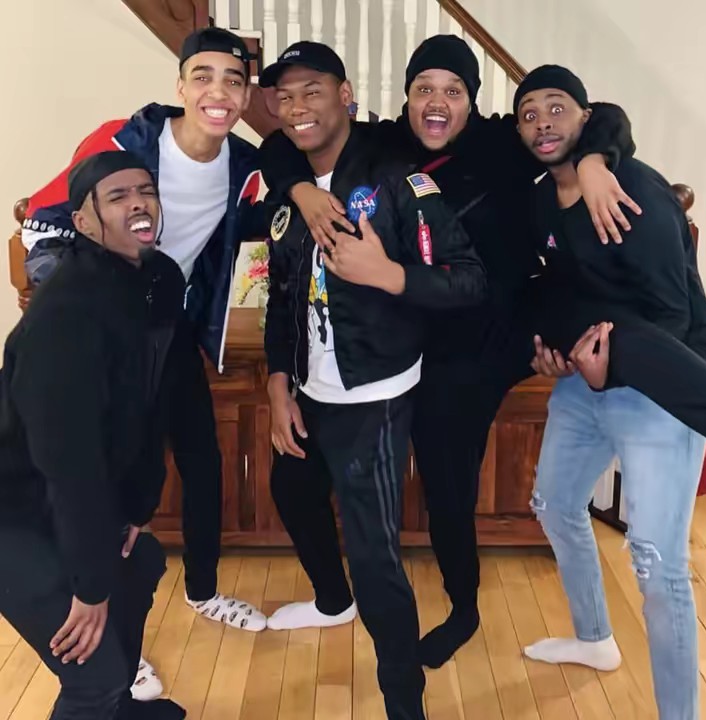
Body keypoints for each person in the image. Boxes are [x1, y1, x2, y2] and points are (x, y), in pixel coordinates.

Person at [259, 34, 638, 668]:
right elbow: (280, 144)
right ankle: (335, 597)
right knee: (300, 475)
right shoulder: (385, 145)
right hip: (403, 330)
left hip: (486, 336)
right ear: (406, 97)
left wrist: (597, 162)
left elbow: (602, 119)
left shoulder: (503, 144)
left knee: (446, 480)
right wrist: (299, 191)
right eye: (424, 89)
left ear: (473, 100)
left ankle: (464, 606)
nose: (437, 103)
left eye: (453, 91)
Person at [20, 27, 268, 698]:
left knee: (201, 457)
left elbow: (267, 210)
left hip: (167, 320)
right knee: (100, 467)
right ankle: (112, 634)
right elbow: (41, 218)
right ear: (181, 85)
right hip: (105, 327)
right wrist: (81, 309)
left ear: (246, 95)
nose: (218, 91)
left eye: (234, 80)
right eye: (203, 76)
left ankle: (203, 590)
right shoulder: (124, 140)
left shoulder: (246, 167)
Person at [261, 41, 486, 720]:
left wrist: (389, 275)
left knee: (375, 560)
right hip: (308, 391)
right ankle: (333, 601)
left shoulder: (396, 181)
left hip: (374, 396)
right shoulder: (287, 188)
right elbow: (282, 294)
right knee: (290, 490)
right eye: (285, 96)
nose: (297, 108)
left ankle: (403, 703)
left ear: (346, 95)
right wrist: (278, 380)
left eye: (313, 91)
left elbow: (468, 279)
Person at [514, 65, 706, 720]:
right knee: (554, 504)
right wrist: (552, 353)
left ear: (585, 115)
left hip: (664, 375)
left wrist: (612, 370)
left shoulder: (634, 187)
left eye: (556, 107)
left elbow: (672, 314)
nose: (542, 123)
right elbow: (560, 284)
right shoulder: (541, 198)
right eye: (528, 114)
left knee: (658, 566)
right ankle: (594, 638)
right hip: (588, 374)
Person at [0, 152, 187, 719]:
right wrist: (90, 586)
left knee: (141, 561)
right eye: (117, 196)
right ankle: (104, 699)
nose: (138, 203)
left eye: (146, 191)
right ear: (83, 222)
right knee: (93, 671)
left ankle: (117, 710)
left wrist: (135, 508)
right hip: (13, 508)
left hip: (62, 496)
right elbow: (69, 463)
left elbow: (148, 406)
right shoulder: (66, 316)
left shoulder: (155, 280)